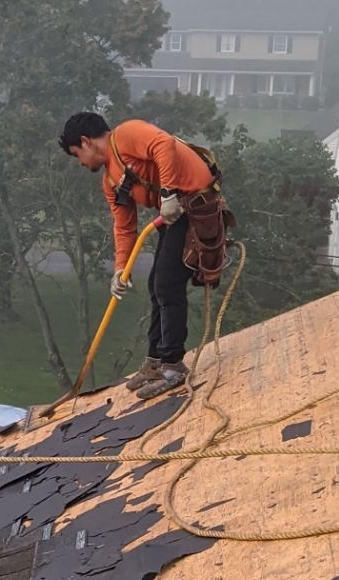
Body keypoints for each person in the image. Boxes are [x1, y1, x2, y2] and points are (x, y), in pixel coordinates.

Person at [58, 111, 225, 400]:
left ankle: (173, 366)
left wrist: (169, 193)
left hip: (195, 206)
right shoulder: (111, 181)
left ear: (86, 142)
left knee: (168, 283)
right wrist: (121, 269)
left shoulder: (126, 135)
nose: (82, 164)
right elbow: (124, 227)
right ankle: (155, 361)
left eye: (77, 155)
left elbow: (163, 144)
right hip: (174, 214)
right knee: (154, 286)